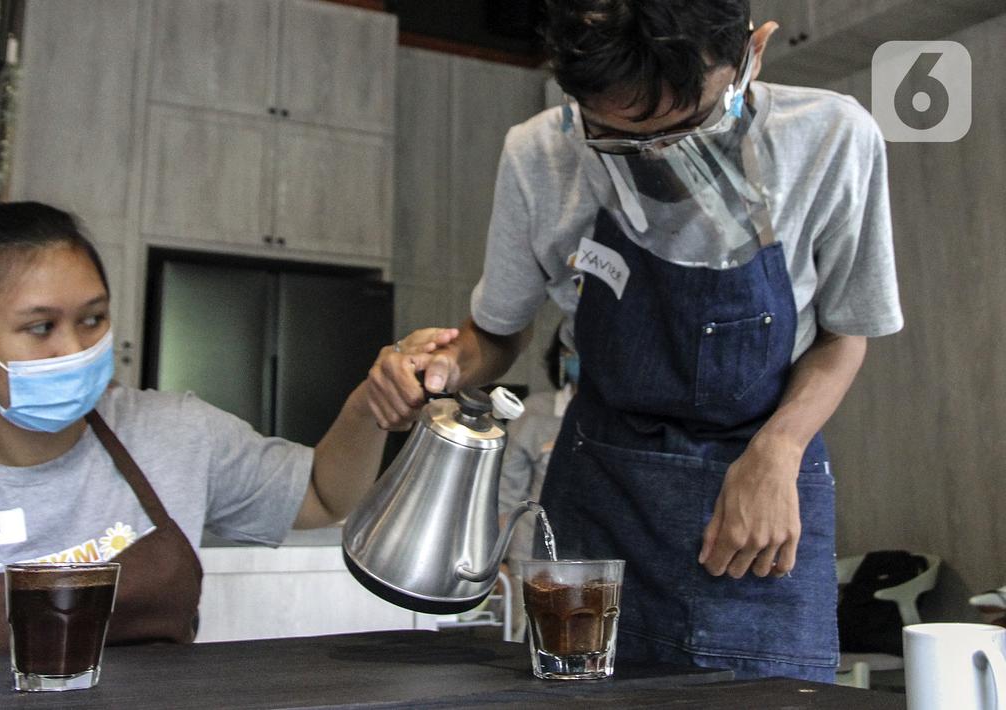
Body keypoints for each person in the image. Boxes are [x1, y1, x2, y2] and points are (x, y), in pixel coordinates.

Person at [368, 0, 902, 681]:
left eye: (688, 131)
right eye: (616, 139)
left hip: (756, 495)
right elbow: (495, 337)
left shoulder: (830, 138)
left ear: (752, 52)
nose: (656, 162)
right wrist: (437, 366)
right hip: (600, 506)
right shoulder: (538, 154)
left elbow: (844, 334)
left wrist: (778, 450)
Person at [0, 201, 417, 661]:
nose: (74, 348)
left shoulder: (174, 433)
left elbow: (324, 495)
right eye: (40, 327)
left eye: (92, 319)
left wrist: (371, 404)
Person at [498, 324, 576, 640]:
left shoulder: (625, 416)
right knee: (528, 642)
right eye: (569, 350)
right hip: (531, 560)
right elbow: (507, 494)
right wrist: (497, 561)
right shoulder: (534, 413)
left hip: (593, 560)